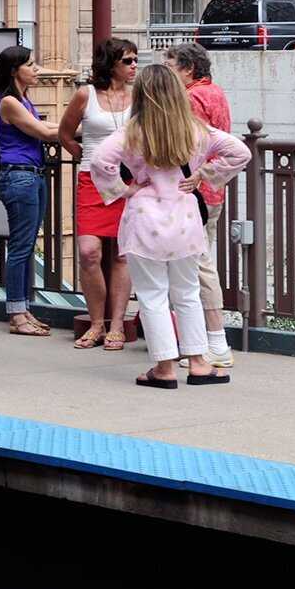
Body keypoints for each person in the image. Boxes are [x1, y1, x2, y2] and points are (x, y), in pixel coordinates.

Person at [87, 65, 251, 388]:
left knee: (152, 295)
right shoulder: (195, 130)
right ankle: (199, 363)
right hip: (185, 217)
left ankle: (164, 367)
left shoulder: (132, 132)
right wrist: (204, 174)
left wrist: (123, 190)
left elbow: (99, 160)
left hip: (146, 217)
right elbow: (240, 152)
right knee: (187, 292)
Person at [58, 38, 138, 351]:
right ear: (111, 65)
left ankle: (116, 323)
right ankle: (96, 323)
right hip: (92, 178)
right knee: (89, 251)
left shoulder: (138, 97)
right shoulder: (85, 95)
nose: (133, 67)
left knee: (121, 253)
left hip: (126, 179)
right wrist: (82, 153)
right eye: (127, 61)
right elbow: (65, 133)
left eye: (134, 61)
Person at [169, 41, 234, 368]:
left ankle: (213, 340)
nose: (168, 74)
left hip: (194, 190)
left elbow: (189, 146)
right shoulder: (216, 93)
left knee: (199, 265)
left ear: (188, 69)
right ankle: (205, 340)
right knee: (201, 261)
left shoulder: (191, 98)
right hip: (213, 190)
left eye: (172, 67)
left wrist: (197, 173)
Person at [0, 45, 56, 336]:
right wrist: (84, 128)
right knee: (20, 247)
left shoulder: (23, 100)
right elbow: (42, 132)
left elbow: (47, 125)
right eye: (31, 64)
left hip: (32, 176)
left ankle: (24, 308)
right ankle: (17, 312)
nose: (36, 68)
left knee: (27, 245)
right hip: (19, 177)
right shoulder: (9, 102)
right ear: (15, 69)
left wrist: (75, 125)